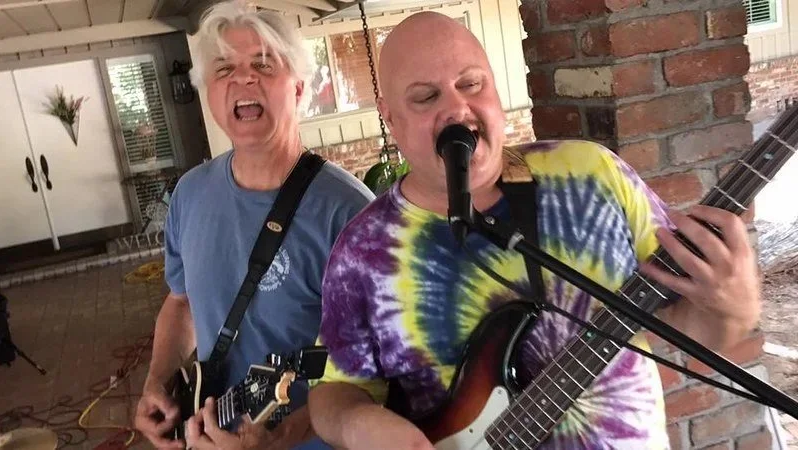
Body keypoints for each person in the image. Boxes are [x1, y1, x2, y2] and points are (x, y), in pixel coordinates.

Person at [307, 11, 761, 450]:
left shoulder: (593, 175)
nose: (457, 109)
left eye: (471, 84)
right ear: (390, 118)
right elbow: (334, 392)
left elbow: (692, 327)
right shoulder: (364, 250)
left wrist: (734, 309)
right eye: (426, 97)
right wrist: (356, 425)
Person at [132, 2, 374, 449]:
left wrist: (285, 435)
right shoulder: (189, 194)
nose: (242, 79)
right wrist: (157, 382)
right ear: (209, 93)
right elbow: (182, 303)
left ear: (298, 90)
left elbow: (382, 358)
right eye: (224, 68)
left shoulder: (350, 213)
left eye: (263, 64)